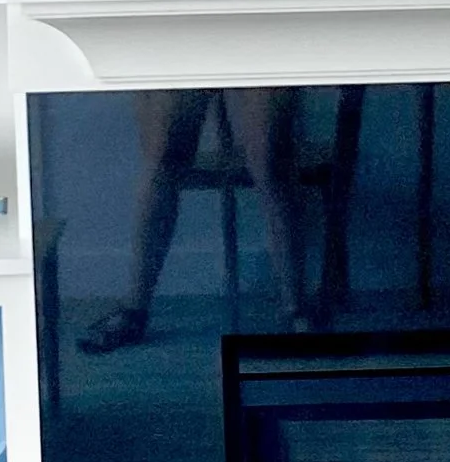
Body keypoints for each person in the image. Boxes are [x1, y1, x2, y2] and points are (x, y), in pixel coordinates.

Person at [80, 88, 313, 352]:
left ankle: (296, 308)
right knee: (164, 157)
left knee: (272, 160)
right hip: (184, 48)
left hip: (257, 48)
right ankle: (134, 309)